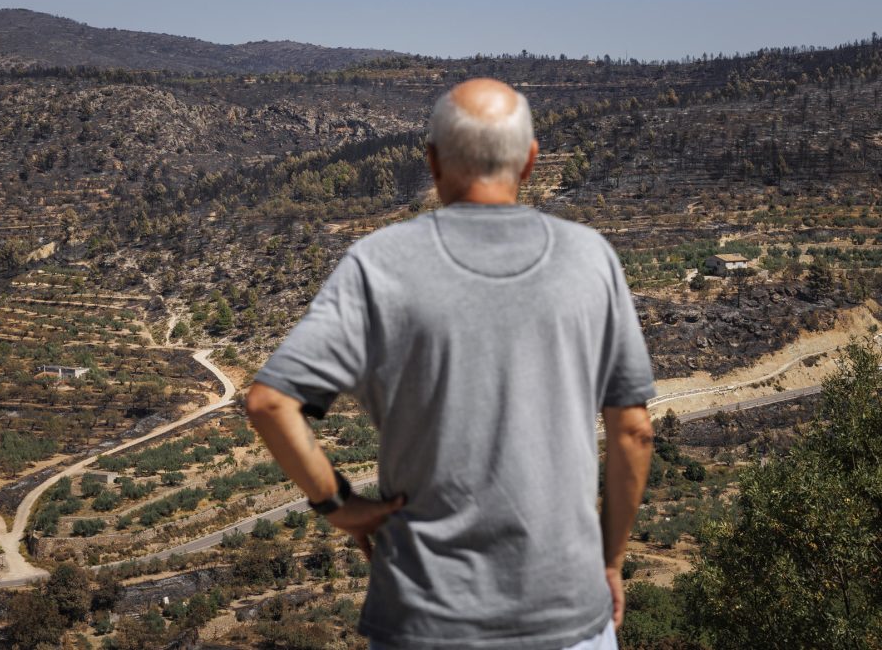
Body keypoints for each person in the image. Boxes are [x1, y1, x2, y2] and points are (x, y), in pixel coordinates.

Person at [246, 78, 656, 649]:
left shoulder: (379, 263)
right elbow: (633, 433)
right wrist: (609, 565)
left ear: (433, 163)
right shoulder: (591, 258)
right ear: (530, 162)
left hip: (424, 619)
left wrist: (340, 506)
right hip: (566, 614)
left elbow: (269, 401)